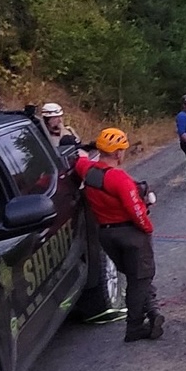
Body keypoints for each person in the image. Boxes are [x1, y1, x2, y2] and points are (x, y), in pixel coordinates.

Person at [74, 128, 163, 341]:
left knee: (135, 276)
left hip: (106, 234)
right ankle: (134, 326)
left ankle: (153, 311)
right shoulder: (119, 178)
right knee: (140, 277)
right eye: (123, 149)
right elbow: (136, 210)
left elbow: (79, 160)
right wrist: (148, 228)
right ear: (117, 153)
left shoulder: (86, 170)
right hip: (130, 233)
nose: (124, 153)